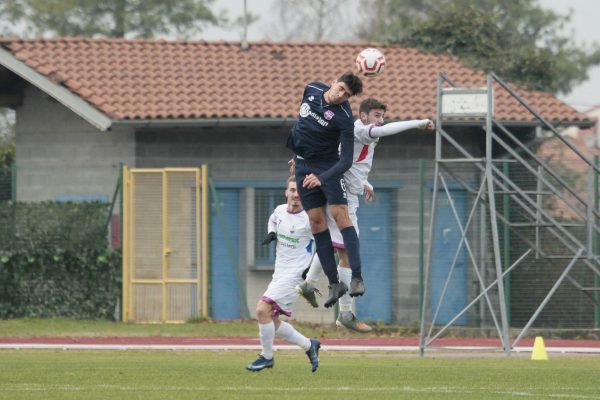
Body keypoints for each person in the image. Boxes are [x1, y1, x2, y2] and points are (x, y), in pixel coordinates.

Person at [295, 97, 434, 332]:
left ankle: (309, 283)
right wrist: (418, 122)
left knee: (334, 245)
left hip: (342, 190)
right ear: (364, 116)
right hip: (343, 197)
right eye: (377, 116)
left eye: (383, 116)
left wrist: (364, 181)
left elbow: (348, 160)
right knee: (347, 254)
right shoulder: (362, 130)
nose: (381, 121)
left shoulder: (354, 132)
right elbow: (387, 131)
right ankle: (346, 313)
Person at [286, 72, 365, 309]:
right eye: (340, 88)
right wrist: (296, 156)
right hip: (302, 165)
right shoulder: (311, 88)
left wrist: (321, 178)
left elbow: (346, 161)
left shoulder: (344, 118)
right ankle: (334, 283)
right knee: (316, 223)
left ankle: (358, 278)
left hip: (327, 167)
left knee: (341, 216)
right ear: (333, 82)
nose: (341, 95)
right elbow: (303, 126)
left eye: (347, 95)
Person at [245, 176, 321, 373]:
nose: (296, 195)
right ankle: (309, 345)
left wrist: (310, 272)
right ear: (286, 192)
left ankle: (266, 357)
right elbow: (273, 219)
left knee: (262, 310)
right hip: (279, 273)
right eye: (293, 190)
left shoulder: (310, 218)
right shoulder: (279, 210)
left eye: (300, 191)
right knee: (271, 319)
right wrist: (272, 233)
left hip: (295, 275)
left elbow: (323, 248)